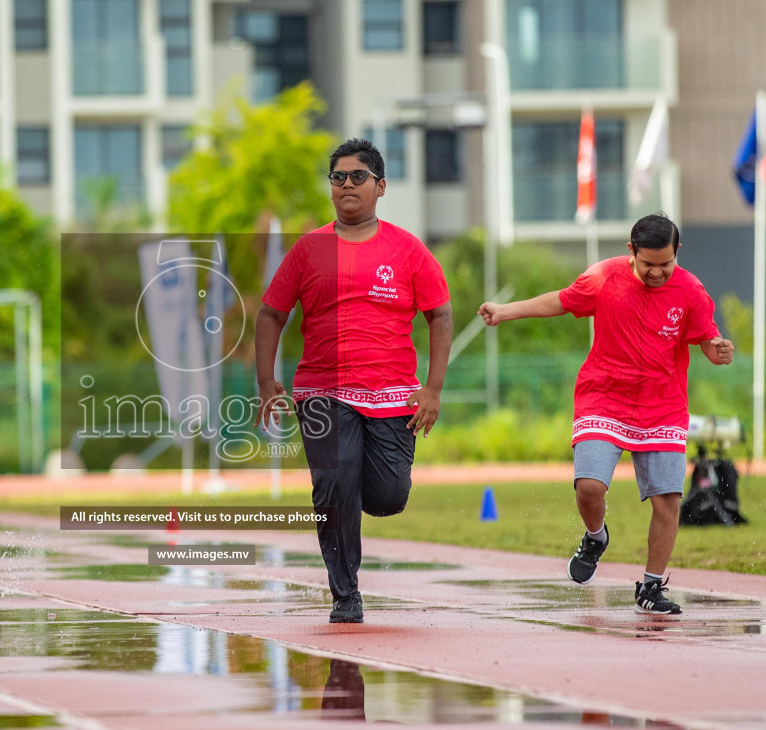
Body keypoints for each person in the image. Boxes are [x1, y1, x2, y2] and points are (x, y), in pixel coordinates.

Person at [478, 214, 735, 615]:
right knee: (589, 488)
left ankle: (651, 588)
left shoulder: (691, 290)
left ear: (677, 253)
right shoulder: (604, 277)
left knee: (667, 500)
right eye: (648, 264)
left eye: (665, 264)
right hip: (604, 396)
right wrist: (507, 311)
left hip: (662, 405)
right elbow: (561, 301)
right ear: (631, 252)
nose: (657, 272)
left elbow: (705, 339)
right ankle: (596, 537)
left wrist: (716, 351)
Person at [254, 138, 454, 624]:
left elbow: (441, 314)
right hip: (321, 392)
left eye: (357, 177)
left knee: (387, 496)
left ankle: (348, 493)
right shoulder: (308, 250)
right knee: (333, 486)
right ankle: (346, 593)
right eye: (337, 177)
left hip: (392, 394)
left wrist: (432, 388)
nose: (346, 185)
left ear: (380, 186)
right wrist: (266, 382)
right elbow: (269, 314)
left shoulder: (407, 249)